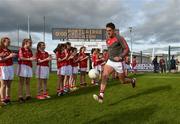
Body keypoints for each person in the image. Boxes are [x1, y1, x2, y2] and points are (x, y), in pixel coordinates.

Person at [93, 22, 136, 103]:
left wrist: (120, 57)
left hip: (119, 63)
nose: (108, 32)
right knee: (104, 76)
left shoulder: (119, 38)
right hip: (110, 61)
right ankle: (101, 96)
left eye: (109, 30)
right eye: (106, 31)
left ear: (114, 30)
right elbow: (110, 51)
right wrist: (105, 59)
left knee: (122, 81)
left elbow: (127, 49)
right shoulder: (107, 40)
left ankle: (132, 80)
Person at [17, 38, 35, 103]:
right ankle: (20, 96)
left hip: (29, 66)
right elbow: (21, 57)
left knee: (28, 82)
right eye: (29, 43)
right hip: (22, 66)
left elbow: (31, 58)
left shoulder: (30, 50)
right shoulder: (21, 49)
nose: (30, 44)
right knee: (21, 82)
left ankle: (28, 95)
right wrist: (29, 59)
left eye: (31, 43)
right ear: (25, 42)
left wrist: (33, 59)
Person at [0, 37, 16, 105]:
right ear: (3, 42)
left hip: (10, 67)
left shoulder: (9, 50)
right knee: (3, 84)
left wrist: (13, 56)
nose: (9, 43)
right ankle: (2, 99)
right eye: (7, 42)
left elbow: (9, 57)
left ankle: (8, 98)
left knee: (9, 84)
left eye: (9, 42)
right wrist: (9, 56)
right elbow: (0, 60)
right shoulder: (0, 49)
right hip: (3, 67)